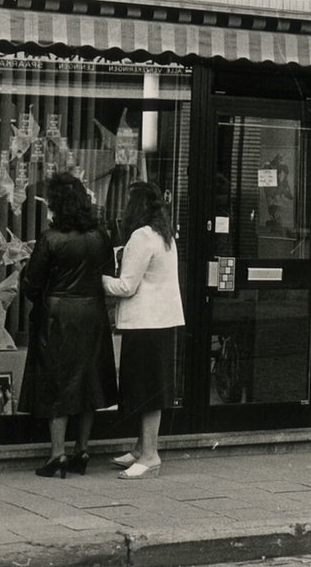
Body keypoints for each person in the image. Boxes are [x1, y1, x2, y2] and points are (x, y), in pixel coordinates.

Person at [18, 172, 118, 479]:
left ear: (57, 204)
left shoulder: (50, 238)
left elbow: (32, 284)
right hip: (92, 314)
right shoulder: (101, 236)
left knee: (57, 384)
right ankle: (82, 450)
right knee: (87, 383)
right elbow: (108, 273)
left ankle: (57, 454)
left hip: (58, 317)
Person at [104, 181, 185, 480]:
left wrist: (98, 279)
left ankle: (150, 455)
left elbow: (126, 286)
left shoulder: (140, 236)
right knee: (152, 386)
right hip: (162, 322)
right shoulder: (165, 235)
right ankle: (141, 448)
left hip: (144, 324)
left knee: (145, 389)